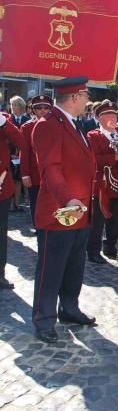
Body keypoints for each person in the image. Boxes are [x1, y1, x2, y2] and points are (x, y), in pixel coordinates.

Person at [31, 77, 96, 343]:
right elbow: (51, 169)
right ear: (75, 96)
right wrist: (67, 199)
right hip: (60, 211)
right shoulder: (47, 125)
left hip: (79, 210)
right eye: (86, 95)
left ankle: (69, 308)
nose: (88, 100)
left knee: (73, 267)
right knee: (51, 269)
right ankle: (44, 319)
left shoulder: (74, 124)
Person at [86, 102, 118, 263]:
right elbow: (94, 160)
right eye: (108, 116)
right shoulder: (93, 135)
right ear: (100, 118)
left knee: (115, 219)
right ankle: (93, 250)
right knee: (98, 220)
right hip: (101, 185)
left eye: (114, 115)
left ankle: (110, 246)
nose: (113, 119)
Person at [20, 95, 52, 227]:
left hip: (53, 174)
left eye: (46, 107)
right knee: (36, 204)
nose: (43, 110)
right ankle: (39, 230)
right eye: (39, 108)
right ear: (33, 110)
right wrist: (25, 174)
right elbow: (24, 152)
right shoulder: (27, 127)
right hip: (35, 175)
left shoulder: (57, 125)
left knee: (52, 204)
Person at [0, 112, 22, 289]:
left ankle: (0, 274)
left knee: (0, 233)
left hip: (1, 185)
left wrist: (3, 122)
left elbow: (20, 140)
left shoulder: (4, 120)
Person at [9, 95, 30, 211]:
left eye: (15, 104)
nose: (12, 107)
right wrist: (11, 153)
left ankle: (17, 203)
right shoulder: (8, 119)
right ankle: (11, 204)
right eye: (12, 104)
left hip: (23, 154)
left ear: (21, 106)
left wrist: (20, 153)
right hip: (10, 155)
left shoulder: (27, 120)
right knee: (11, 179)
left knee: (18, 180)